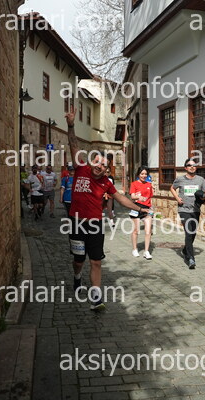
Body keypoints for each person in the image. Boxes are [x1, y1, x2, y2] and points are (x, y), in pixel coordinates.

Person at [65, 106, 152, 311]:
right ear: (92, 161)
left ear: (106, 169)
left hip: (95, 225)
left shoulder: (106, 183)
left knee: (96, 262)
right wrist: (71, 126)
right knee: (79, 260)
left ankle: (96, 298)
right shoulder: (81, 169)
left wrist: (140, 209)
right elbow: (73, 144)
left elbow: (121, 199)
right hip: (76, 223)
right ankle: (77, 276)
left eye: (104, 165)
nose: (100, 166)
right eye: (97, 162)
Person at [170, 158, 205, 269]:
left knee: (193, 233)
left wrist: (203, 196)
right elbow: (172, 188)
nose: (192, 167)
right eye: (189, 165)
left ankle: (185, 250)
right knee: (188, 232)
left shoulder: (201, 180)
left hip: (196, 210)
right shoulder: (180, 179)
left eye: (194, 165)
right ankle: (191, 258)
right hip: (184, 210)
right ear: (185, 168)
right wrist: (177, 198)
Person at [130, 166, 154, 260]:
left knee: (148, 231)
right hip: (136, 208)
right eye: (142, 174)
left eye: (145, 174)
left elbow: (150, 197)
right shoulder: (134, 184)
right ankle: (134, 249)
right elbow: (132, 196)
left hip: (147, 209)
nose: (144, 176)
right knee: (136, 230)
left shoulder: (149, 185)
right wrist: (139, 197)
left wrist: (152, 208)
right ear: (138, 174)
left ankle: (146, 251)